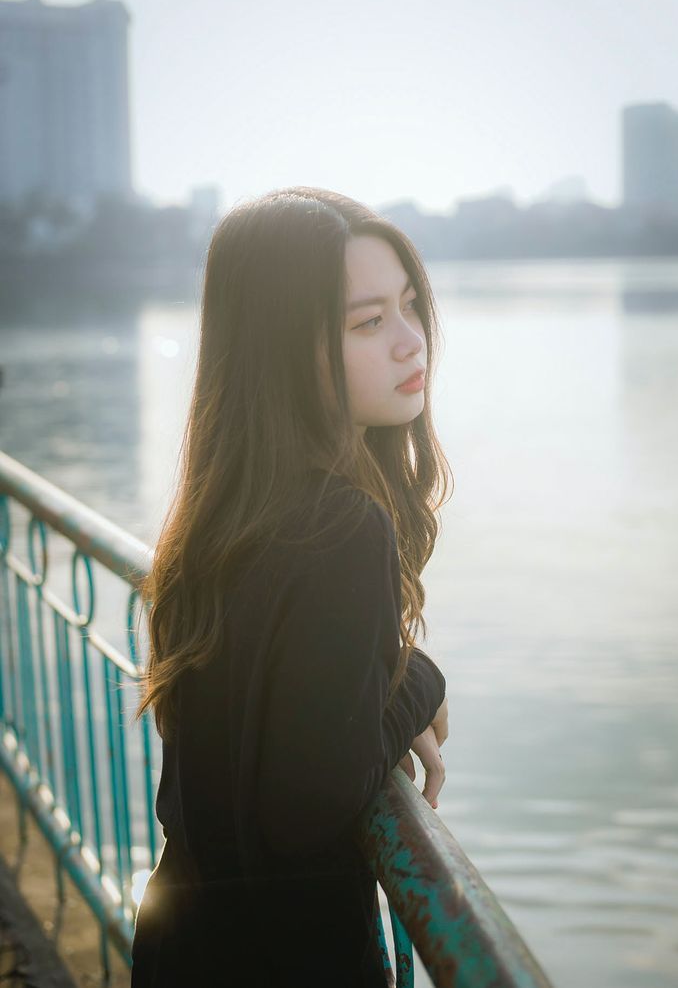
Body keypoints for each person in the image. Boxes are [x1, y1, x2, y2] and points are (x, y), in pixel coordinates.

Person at [130, 186, 453, 986]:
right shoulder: (341, 525)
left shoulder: (221, 514)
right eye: (368, 322)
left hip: (181, 942)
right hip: (282, 962)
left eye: (410, 306)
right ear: (283, 348)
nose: (412, 343)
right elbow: (310, 805)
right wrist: (420, 681)